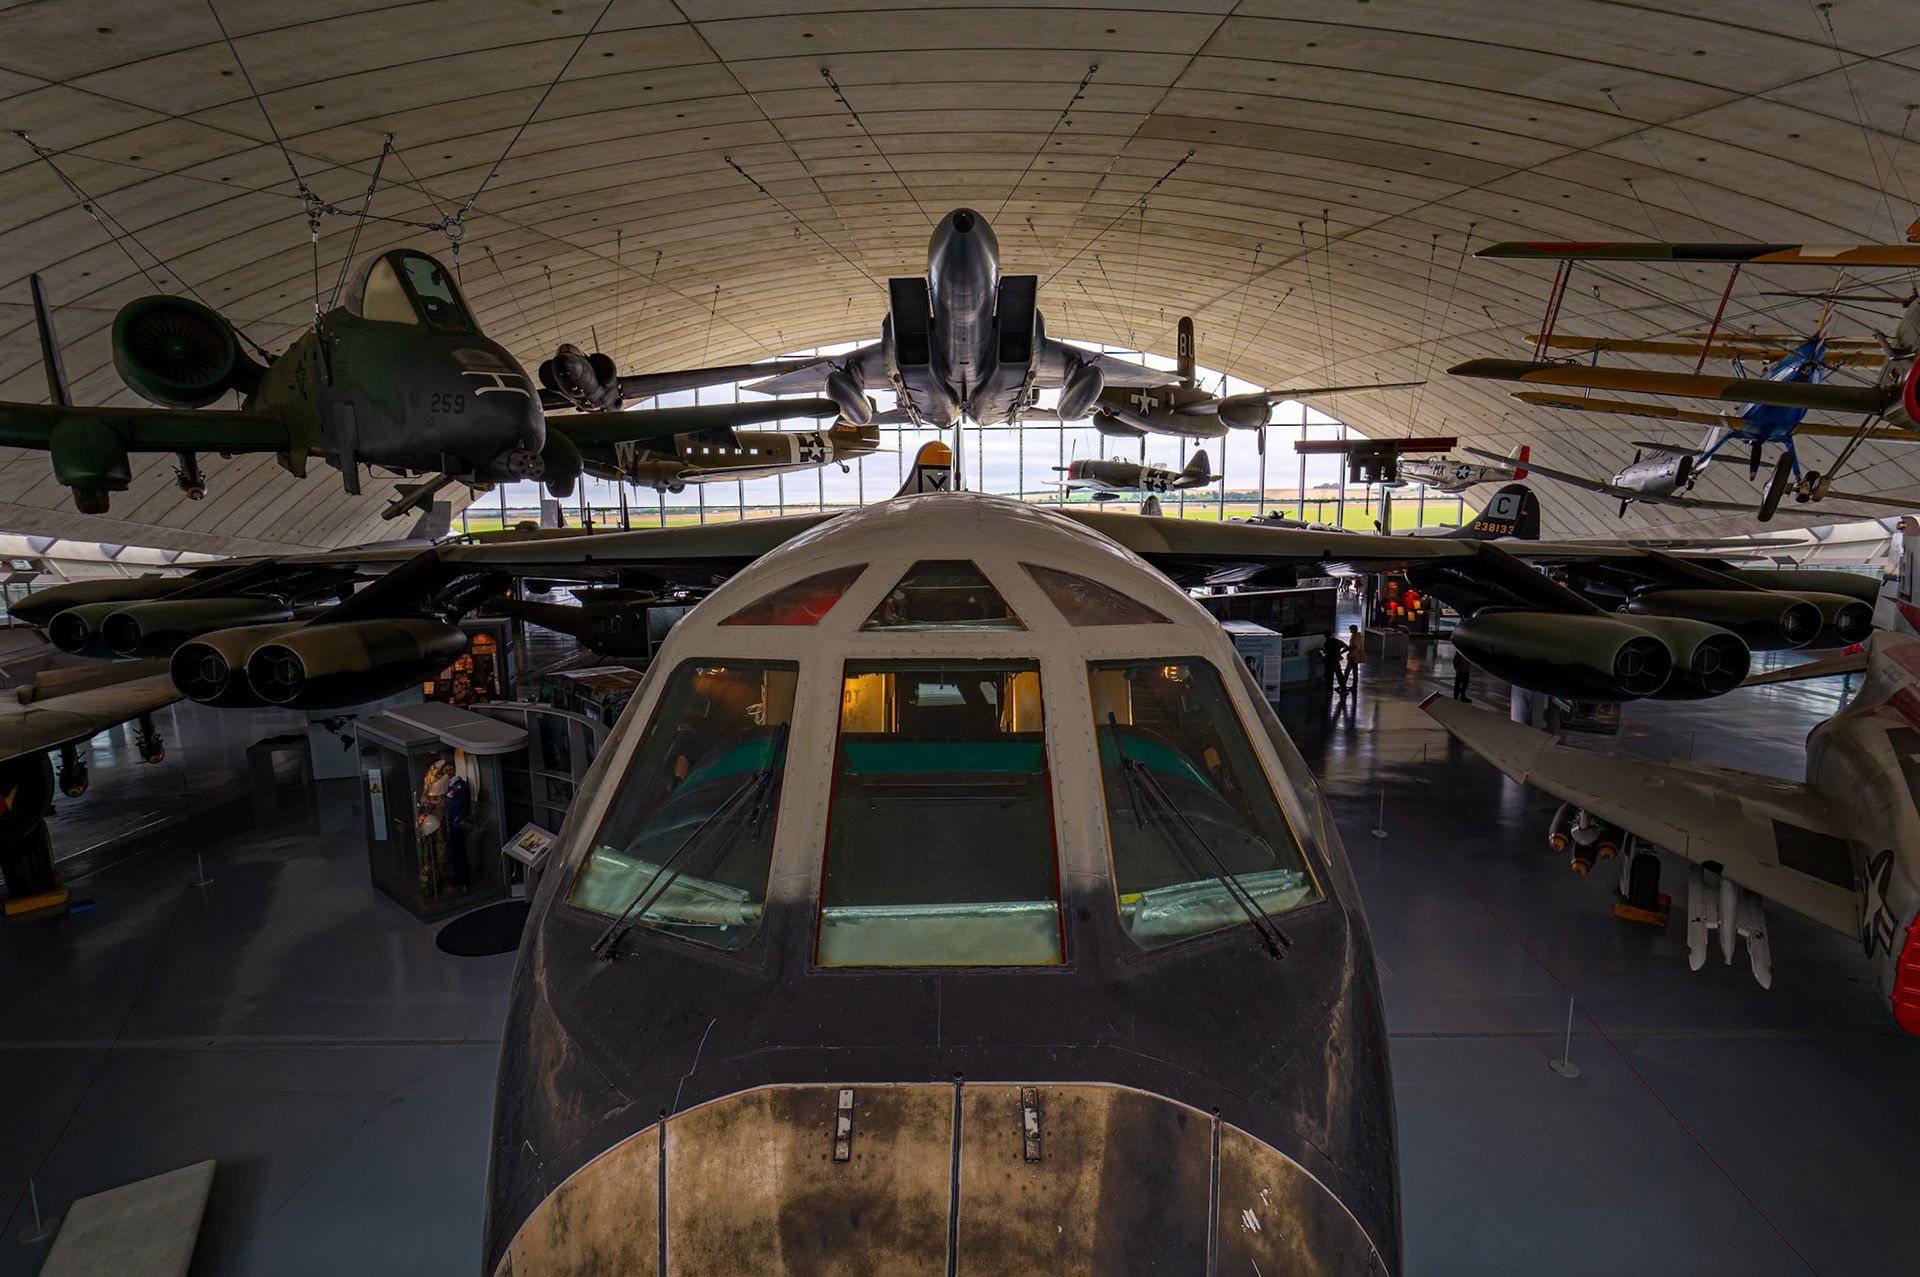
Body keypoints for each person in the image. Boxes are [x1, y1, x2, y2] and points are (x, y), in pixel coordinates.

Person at [1345, 625, 1362, 690]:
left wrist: (1351, 654)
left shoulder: (1356, 637)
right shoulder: (1354, 636)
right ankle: (1353, 686)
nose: (1350, 631)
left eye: (1351, 630)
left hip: (1354, 656)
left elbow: (1356, 648)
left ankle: (1345, 684)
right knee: (1353, 671)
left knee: (1349, 671)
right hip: (1353, 656)